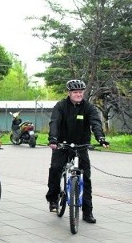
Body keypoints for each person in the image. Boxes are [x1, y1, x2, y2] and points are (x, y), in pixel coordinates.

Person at [46, 79, 109, 223]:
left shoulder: (88, 108)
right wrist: (53, 139)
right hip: (62, 145)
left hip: (81, 146)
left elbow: (95, 123)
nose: (78, 94)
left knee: (86, 178)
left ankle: (87, 212)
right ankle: (53, 199)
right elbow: (54, 122)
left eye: (80, 92)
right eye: (75, 92)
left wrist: (100, 138)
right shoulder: (61, 106)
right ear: (69, 93)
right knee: (55, 169)